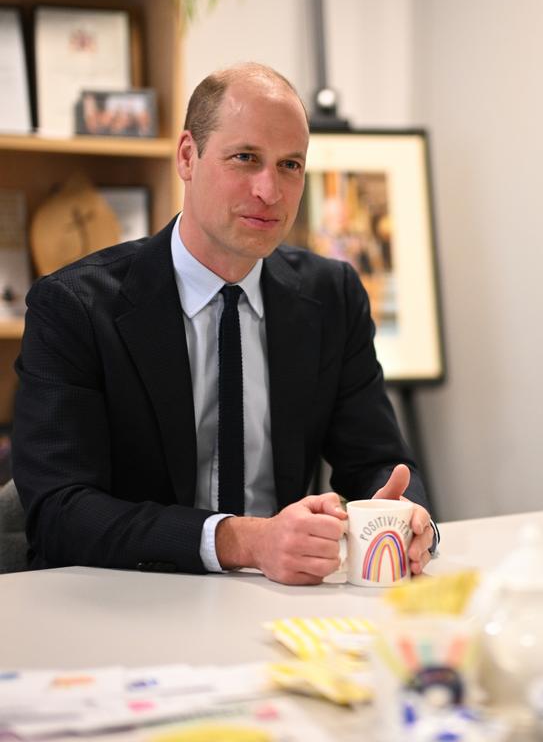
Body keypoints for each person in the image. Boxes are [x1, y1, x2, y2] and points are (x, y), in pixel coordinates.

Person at [13, 63, 436, 585]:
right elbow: (59, 512)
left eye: (290, 166)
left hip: (280, 599)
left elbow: (378, 461)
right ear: (187, 156)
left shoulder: (333, 295)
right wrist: (244, 540)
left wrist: (405, 515)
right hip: (127, 597)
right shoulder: (73, 306)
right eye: (245, 158)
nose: (270, 190)